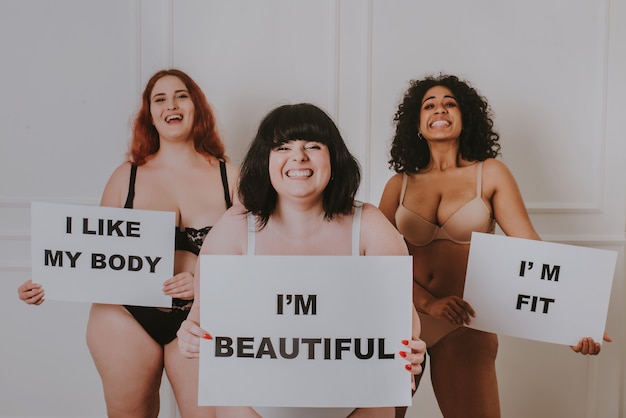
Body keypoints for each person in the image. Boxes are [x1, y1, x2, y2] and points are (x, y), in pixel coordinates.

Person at [378, 74, 611, 418]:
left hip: (464, 323)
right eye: (429, 105)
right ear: (417, 122)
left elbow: (530, 248)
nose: (439, 109)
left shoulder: (490, 173)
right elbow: (377, 264)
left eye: (449, 103)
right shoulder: (398, 185)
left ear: (465, 117)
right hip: (403, 317)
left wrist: (578, 319)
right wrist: (429, 303)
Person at [176, 103, 426, 418]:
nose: (299, 156)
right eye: (283, 147)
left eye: (312, 146)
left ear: (333, 158)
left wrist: (412, 344)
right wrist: (190, 333)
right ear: (265, 160)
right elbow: (203, 313)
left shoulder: (370, 225)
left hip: (358, 403)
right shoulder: (235, 226)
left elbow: (403, 312)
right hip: (251, 405)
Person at [17, 68, 238, 418]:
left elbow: (255, 256)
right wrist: (46, 281)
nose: (171, 105)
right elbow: (95, 257)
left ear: (196, 106)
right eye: (159, 99)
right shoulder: (126, 177)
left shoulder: (231, 177)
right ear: (149, 115)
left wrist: (204, 282)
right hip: (125, 317)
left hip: (203, 316)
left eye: (181, 95)